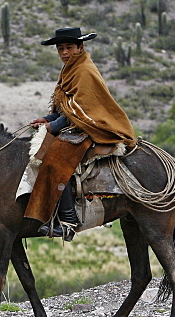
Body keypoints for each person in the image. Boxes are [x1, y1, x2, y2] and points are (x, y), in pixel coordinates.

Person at [23, 27, 136, 239]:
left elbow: (83, 109)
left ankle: (68, 220)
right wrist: (47, 119)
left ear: (80, 47)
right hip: (77, 122)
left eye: (69, 48)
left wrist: (53, 127)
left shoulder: (84, 70)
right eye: (61, 49)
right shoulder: (70, 68)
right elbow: (67, 107)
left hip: (94, 125)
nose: (65, 52)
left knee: (56, 159)